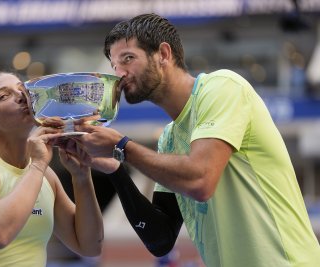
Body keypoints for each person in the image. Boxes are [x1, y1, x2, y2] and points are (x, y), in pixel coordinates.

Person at [72, 13, 320, 267]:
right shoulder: (169, 138)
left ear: (164, 55)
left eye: (128, 58)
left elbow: (201, 180)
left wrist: (121, 146)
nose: (119, 74)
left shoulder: (222, 87)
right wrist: (116, 170)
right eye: (114, 66)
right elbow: (160, 240)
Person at [0, 72, 103, 267]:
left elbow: (90, 246)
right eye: (4, 96)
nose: (21, 96)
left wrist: (81, 177)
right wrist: (37, 165)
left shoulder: (46, 175)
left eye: (22, 89)